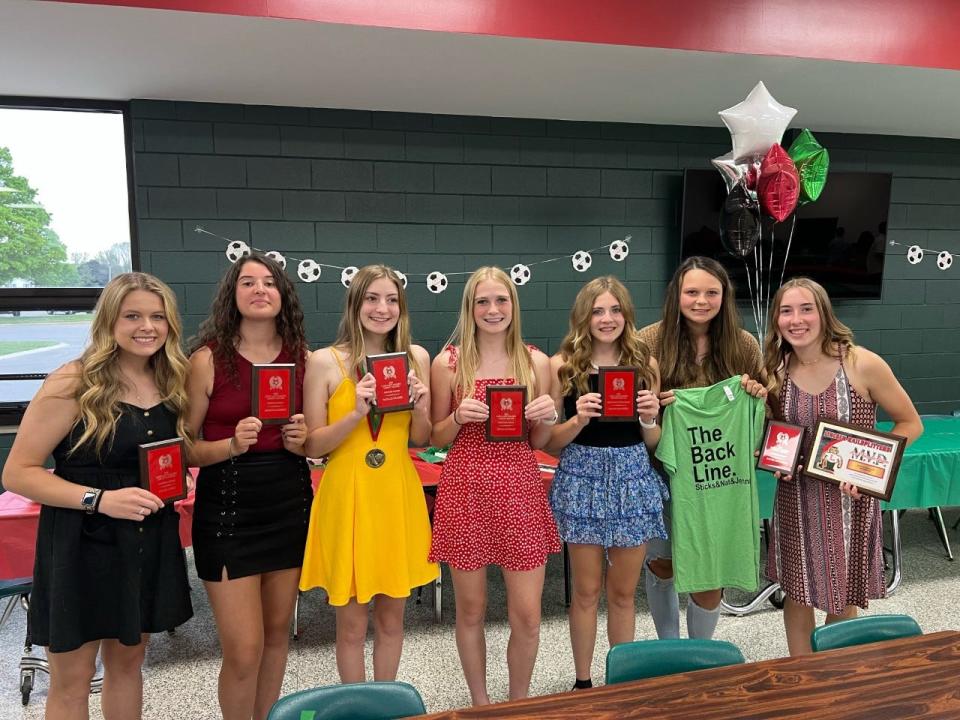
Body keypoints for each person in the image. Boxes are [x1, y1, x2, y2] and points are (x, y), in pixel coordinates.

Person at [3, 273, 193, 720]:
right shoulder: (72, 382)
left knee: (128, 667)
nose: (147, 326)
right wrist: (100, 500)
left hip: (144, 543)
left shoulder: (169, 382)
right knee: (73, 679)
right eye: (133, 316)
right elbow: (18, 473)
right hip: (81, 543)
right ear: (110, 321)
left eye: (157, 316)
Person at [763, 277, 922, 656]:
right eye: (786, 311)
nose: (796, 319)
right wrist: (773, 457)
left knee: (842, 595)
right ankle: (802, 673)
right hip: (795, 497)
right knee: (797, 593)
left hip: (850, 499)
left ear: (824, 314)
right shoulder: (775, 370)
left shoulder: (860, 363)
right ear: (777, 320)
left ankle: (835, 674)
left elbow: (910, 423)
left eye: (806, 309)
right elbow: (775, 432)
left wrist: (872, 471)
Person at [186, 253, 311, 720]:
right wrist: (229, 446)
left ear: (283, 296)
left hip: (290, 503)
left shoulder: (304, 358)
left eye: (269, 283)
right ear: (232, 296)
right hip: (228, 509)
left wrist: (305, 442)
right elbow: (184, 448)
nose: (259, 290)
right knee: (243, 650)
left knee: (278, 637)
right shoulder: (206, 359)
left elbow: (316, 438)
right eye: (247, 282)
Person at [299, 265, 438, 683]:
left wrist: (420, 404)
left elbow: (421, 439)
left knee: (393, 621)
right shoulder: (324, 361)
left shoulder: (416, 358)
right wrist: (356, 413)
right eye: (372, 299)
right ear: (355, 304)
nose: (382, 308)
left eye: (391, 299)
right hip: (349, 493)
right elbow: (312, 446)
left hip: (396, 491)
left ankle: (386, 704)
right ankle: (357, 705)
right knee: (352, 625)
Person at [428, 266, 560, 705]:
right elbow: (433, 437)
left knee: (526, 614)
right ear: (469, 308)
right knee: (471, 609)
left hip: (520, 487)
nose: (492, 309)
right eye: (482, 301)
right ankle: (482, 703)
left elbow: (539, 442)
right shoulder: (448, 362)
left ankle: (518, 702)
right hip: (465, 486)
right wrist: (455, 418)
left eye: (501, 300)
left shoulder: (536, 361)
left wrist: (546, 418)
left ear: (513, 306)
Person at [546, 276, 668, 690]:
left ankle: (621, 682)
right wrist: (577, 418)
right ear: (584, 316)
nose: (607, 318)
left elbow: (652, 442)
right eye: (598, 310)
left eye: (615, 310)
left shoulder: (644, 364)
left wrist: (650, 417)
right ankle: (583, 682)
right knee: (585, 591)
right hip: (582, 479)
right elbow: (550, 444)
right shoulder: (562, 364)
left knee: (622, 592)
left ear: (626, 315)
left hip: (633, 478)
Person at [638, 256, 767, 640]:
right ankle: (669, 647)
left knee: (710, 571)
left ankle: (700, 655)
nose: (701, 300)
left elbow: (764, 406)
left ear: (724, 296)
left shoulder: (742, 345)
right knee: (662, 562)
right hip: (657, 471)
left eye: (711, 292)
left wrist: (757, 393)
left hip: (717, 478)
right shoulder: (648, 341)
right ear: (676, 295)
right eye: (691, 291)